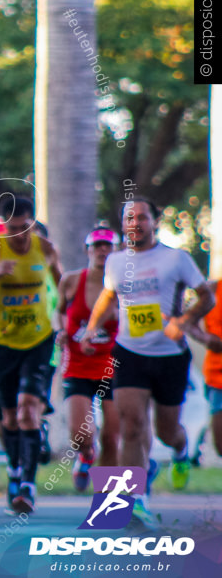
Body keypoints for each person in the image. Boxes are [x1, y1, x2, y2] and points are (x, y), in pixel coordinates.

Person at [83, 197, 214, 527]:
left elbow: (207, 296)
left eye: (142, 217)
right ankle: (135, 501)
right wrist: (91, 329)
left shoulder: (176, 259)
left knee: (166, 432)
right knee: (132, 426)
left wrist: (183, 321)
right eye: (129, 218)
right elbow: (109, 296)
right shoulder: (115, 262)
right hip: (129, 353)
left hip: (170, 357)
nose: (135, 223)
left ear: (155, 222)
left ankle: (181, 450)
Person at [0, 196, 62, 514]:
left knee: (27, 412)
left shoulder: (44, 249)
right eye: (13, 228)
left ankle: (28, 487)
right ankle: (15, 471)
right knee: (8, 419)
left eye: (25, 227)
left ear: (33, 223)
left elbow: (63, 288)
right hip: (3, 342)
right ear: (4, 226)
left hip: (39, 340)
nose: (19, 235)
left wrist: (67, 322)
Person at [56, 227, 122, 491]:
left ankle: (107, 497)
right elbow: (59, 312)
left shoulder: (124, 286)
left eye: (108, 246)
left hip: (113, 366)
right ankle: (85, 454)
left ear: (117, 252)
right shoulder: (71, 281)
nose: (102, 251)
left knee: (112, 435)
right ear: (87, 251)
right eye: (97, 246)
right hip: (78, 365)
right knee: (80, 434)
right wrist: (60, 331)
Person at [197, 280, 222, 457]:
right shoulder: (212, 289)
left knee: (128, 431)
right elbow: (189, 322)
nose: (102, 250)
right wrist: (205, 338)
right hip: (218, 376)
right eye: (95, 248)